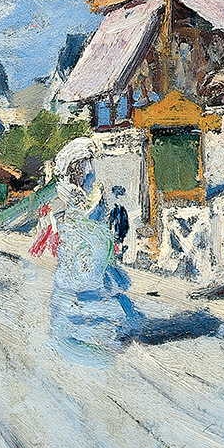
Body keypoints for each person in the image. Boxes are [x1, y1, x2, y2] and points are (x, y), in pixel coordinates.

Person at [48, 138, 139, 359]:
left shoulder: (92, 184)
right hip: (80, 243)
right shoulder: (66, 190)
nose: (89, 167)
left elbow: (97, 211)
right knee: (81, 285)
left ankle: (102, 327)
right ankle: (80, 329)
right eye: (84, 162)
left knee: (98, 284)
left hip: (93, 242)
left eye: (89, 161)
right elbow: (69, 214)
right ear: (74, 166)